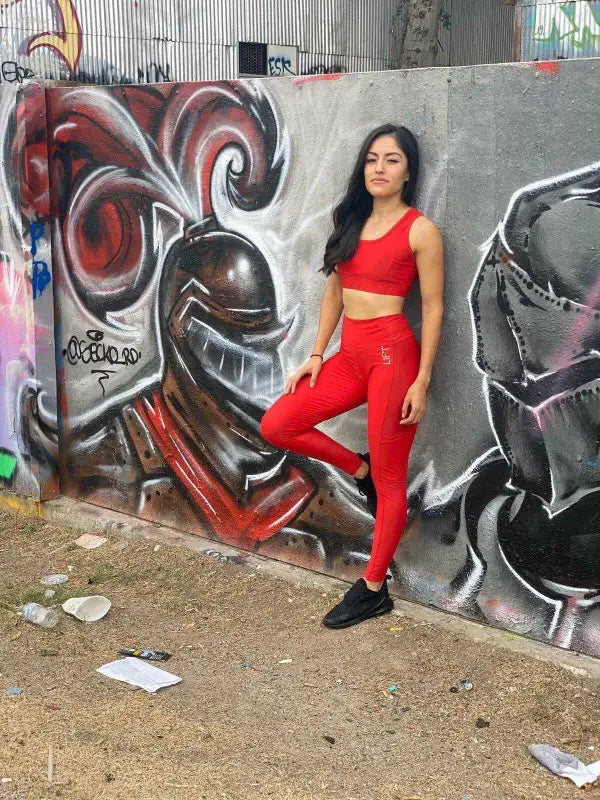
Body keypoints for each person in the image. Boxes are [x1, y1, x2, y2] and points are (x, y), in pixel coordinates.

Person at [260, 123, 444, 628]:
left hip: (392, 358)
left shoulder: (419, 230)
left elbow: (431, 307)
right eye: (371, 160)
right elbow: (334, 295)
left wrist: (422, 378)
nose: (379, 169)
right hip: (350, 354)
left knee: (391, 481)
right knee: (278, 423)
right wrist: (317, 354)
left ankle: (372, 588)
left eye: (391, 161)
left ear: (408, 173)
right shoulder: (349, 220)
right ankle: (356, 468)